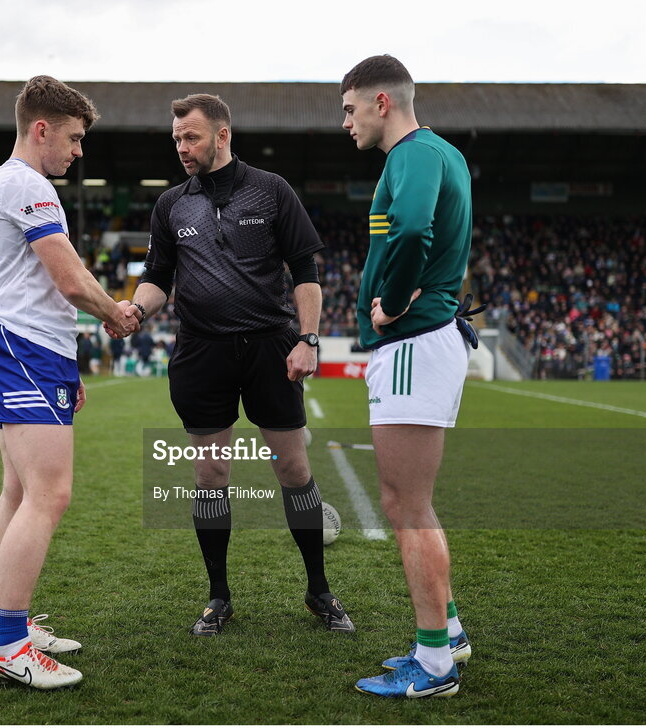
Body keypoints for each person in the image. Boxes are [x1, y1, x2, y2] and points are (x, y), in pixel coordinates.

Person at [119, 93, 354, 637]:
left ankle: (319, 591)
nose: (182, 147)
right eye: (176, 138)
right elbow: (158, 277)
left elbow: (304, 270)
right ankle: (218, 597)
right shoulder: (171, 204)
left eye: (192, 136)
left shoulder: (271, 190)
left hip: (273, 346)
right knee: (210, 473)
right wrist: (135, 307)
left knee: (294, 470)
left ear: (222, 135)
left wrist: (309, 339)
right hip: (202, 351)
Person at [0, 75, 138, 689]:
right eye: (72, 138)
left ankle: (8, 619)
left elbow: (38, 285)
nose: (78, 151)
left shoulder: (4, 181)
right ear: (40, 129)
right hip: (25, 350)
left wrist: (66, 367)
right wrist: (115, 313)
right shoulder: (27, 183)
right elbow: (68, 280)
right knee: (49, 494)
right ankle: (10, 641)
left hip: (30, 349)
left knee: (19, 490)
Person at [340, 55, 476, 699]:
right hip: (423, 342)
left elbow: (417, 227)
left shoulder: (413, 156)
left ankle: (436, 664)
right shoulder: (441, 154)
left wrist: (391, 303)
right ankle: (445, 633)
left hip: (413, 342)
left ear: (382, 103)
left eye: (350, 109)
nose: (347, 123)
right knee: (403, 502)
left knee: (410, 507)